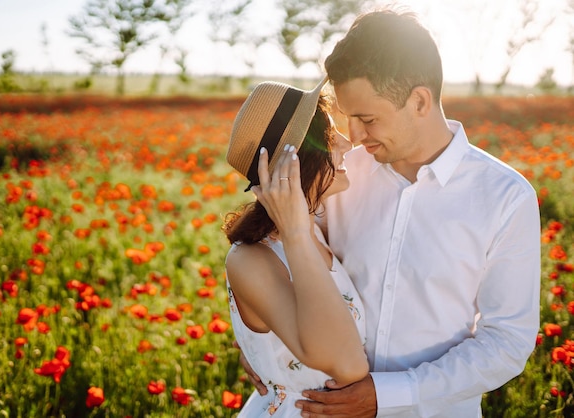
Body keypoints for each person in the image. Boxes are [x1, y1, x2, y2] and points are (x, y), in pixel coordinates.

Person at [248, 7, 541, 418]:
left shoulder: (505, 198)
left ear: (420, 101)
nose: (355, 136)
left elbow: (507, 342)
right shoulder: (340, 177)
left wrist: (388, 394)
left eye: (367, 119)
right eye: (349, 118)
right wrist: (261, 344)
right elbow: (281, 265)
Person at [222, 79, 370, 416]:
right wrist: (296, 235)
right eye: (332, 138)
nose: (348, 144)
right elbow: (348, 366)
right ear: (298, 162)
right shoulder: (250, 259)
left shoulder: (315, 231)